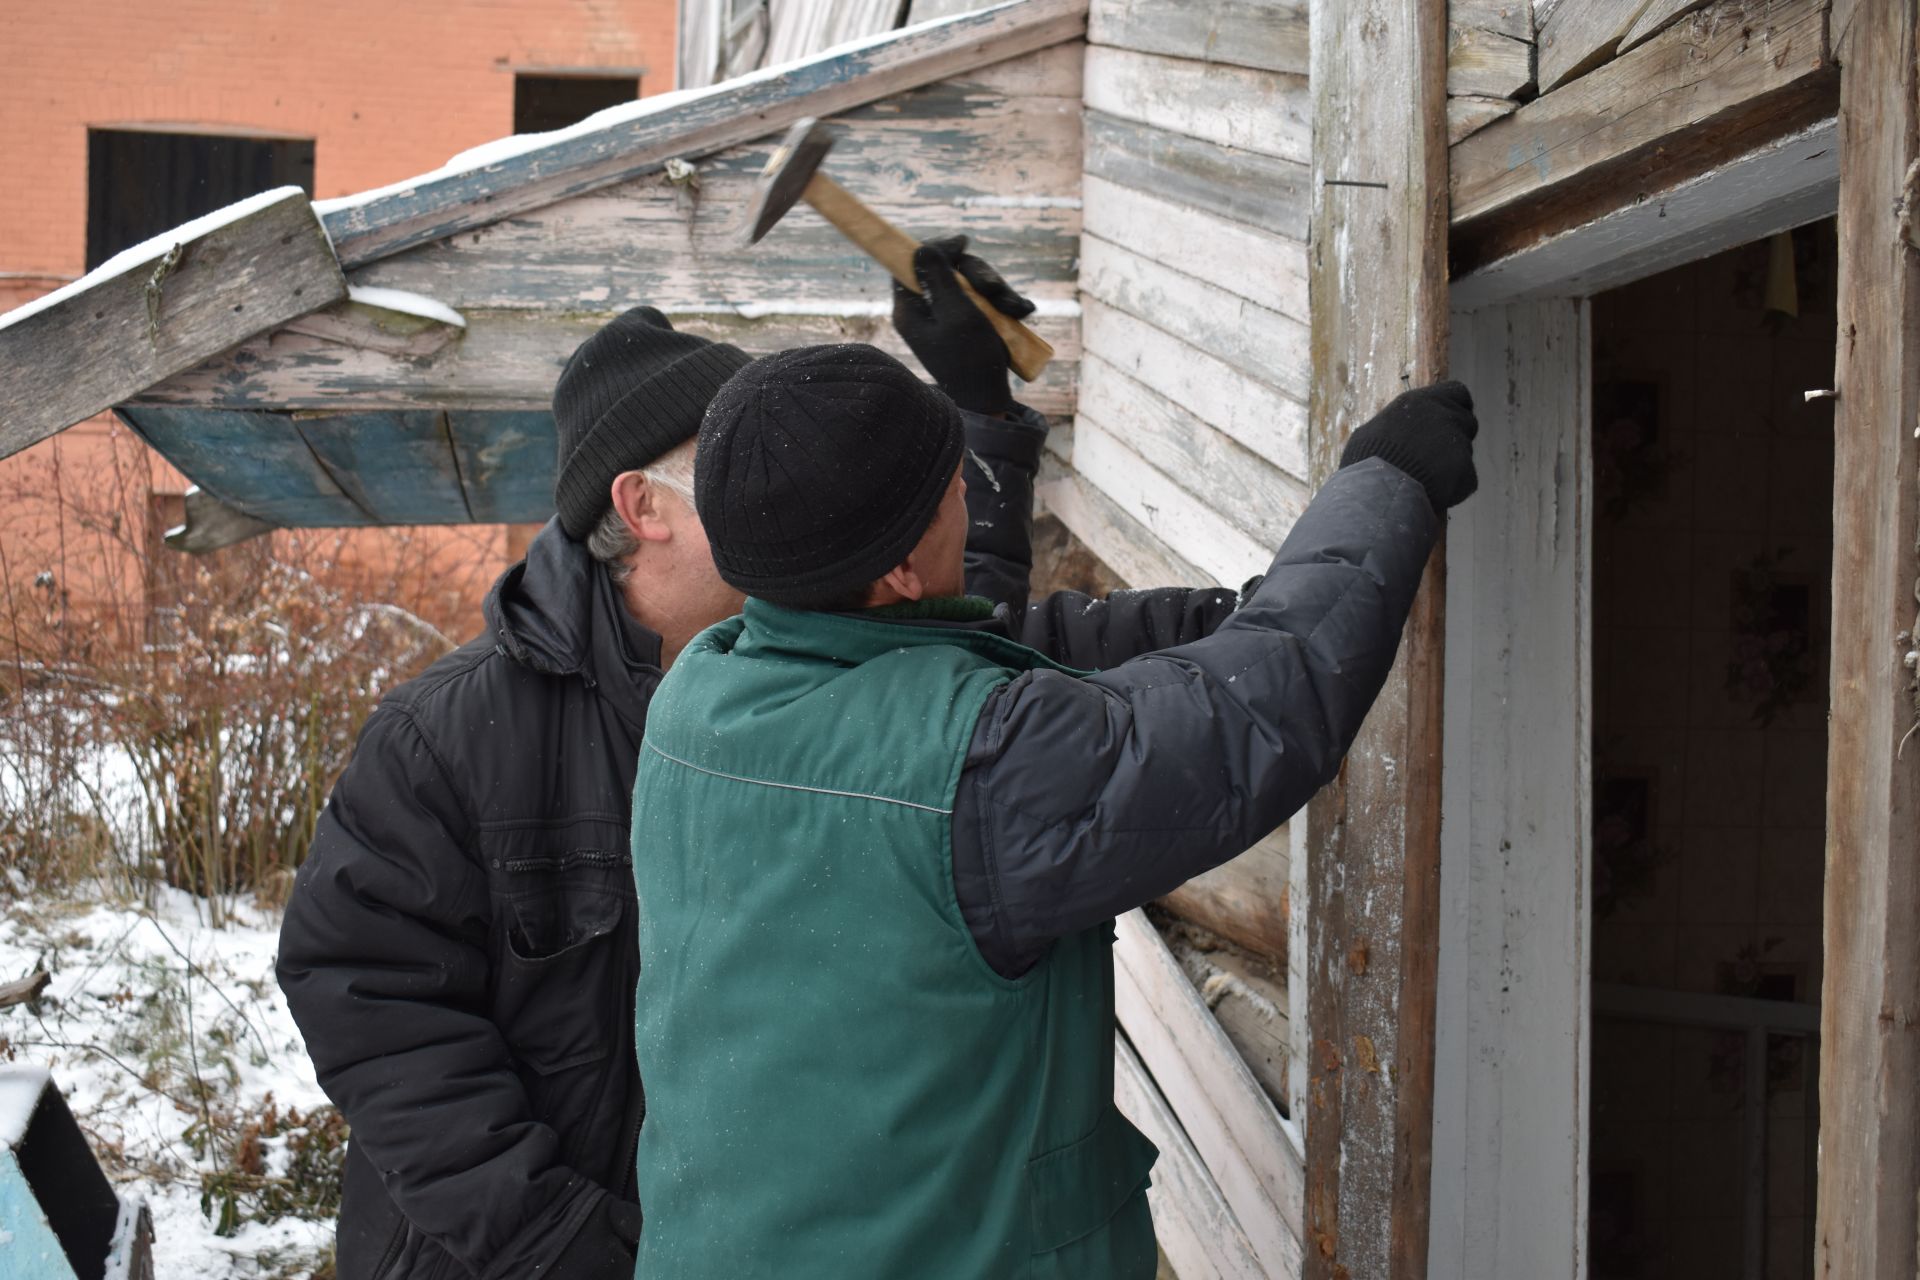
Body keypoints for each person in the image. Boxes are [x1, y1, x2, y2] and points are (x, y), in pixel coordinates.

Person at [274, 238, 1066, 1280]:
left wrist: (974, 413)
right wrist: (569, 1245)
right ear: (640, 507)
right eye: (731, 467)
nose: (776, 486)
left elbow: (955, 649)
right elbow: (367, 994)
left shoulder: (819, 648)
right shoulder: (451, 739)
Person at [629, 345, 1478, 1278]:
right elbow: (1260, 711)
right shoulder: (982, 776)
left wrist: (1199, 621)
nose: (968, 493)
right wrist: (1387, 482)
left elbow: (961, 656)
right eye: (957, 486)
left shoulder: (701, 690)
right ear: (904, 568)